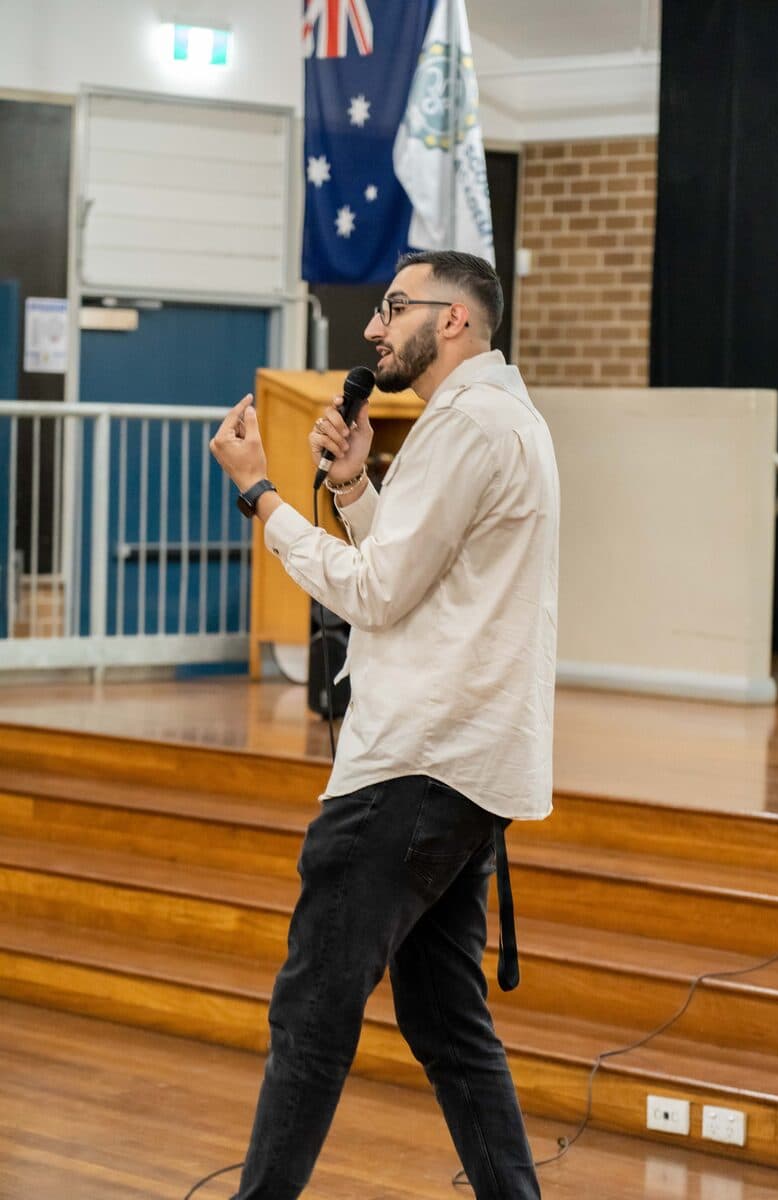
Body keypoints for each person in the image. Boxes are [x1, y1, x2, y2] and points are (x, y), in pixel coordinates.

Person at [209, 250, 559, 1200]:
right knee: (447, 1022)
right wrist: (359, 489)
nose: (372, 328)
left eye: (393, 307)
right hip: (462, 768)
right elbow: (418, 575)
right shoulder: (498, 418)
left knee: (312, 1015)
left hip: (411, 767)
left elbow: (374, 593)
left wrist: (261, 495)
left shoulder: (466, 428)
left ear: (452, 321)